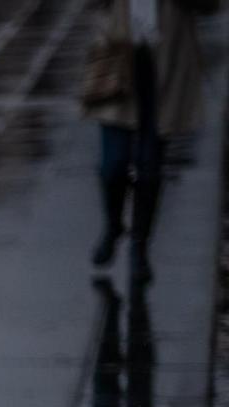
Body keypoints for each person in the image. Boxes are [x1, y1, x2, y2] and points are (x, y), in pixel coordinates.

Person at [83, 0, 216, 280]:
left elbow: (210, 5)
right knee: (113, 165)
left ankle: (139, 248)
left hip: (166, 63)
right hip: (119, 58)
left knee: (150, 166)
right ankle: (114, 225)